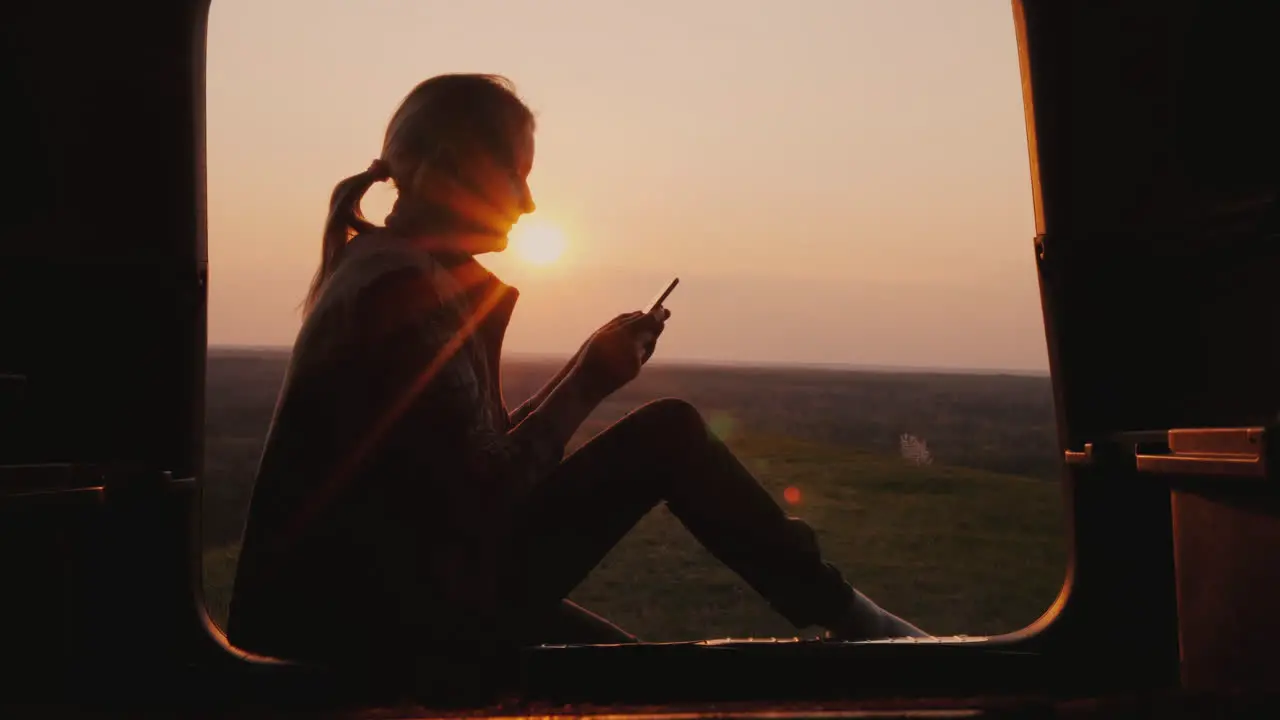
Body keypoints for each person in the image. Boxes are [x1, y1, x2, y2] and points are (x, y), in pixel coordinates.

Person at [226, 73, 927, 672]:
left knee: (639, 679)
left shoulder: (398, 273)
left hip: (383, 602)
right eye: (517, 173)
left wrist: (588, 367)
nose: (529, 203)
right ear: (454, 164)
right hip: (367, 634)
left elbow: (471, 467)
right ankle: (865, 628)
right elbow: (488, 492)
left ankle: (857, 624)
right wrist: (591, 379)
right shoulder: (398, 287)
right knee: (669, 434)